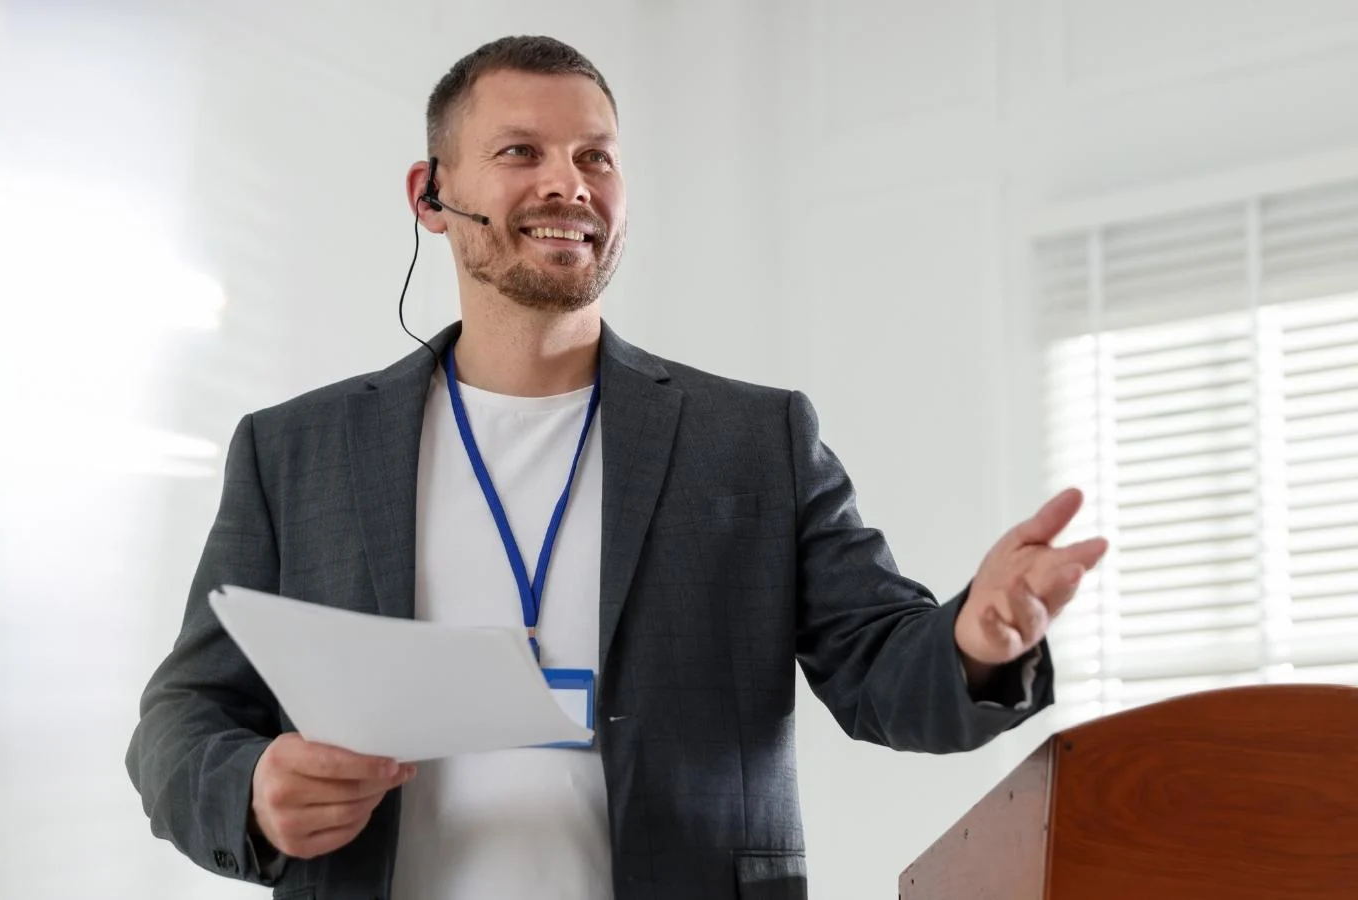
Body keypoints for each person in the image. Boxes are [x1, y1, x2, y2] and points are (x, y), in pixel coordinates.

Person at [126, 34, 1108, 900]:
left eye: (595, 155)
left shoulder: (752, 438)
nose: (569, 184)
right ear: (430, 195)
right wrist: (251, 788)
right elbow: (185, 715)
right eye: (521, 152)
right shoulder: (295, 451)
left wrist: (978, 641)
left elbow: (880, 668)